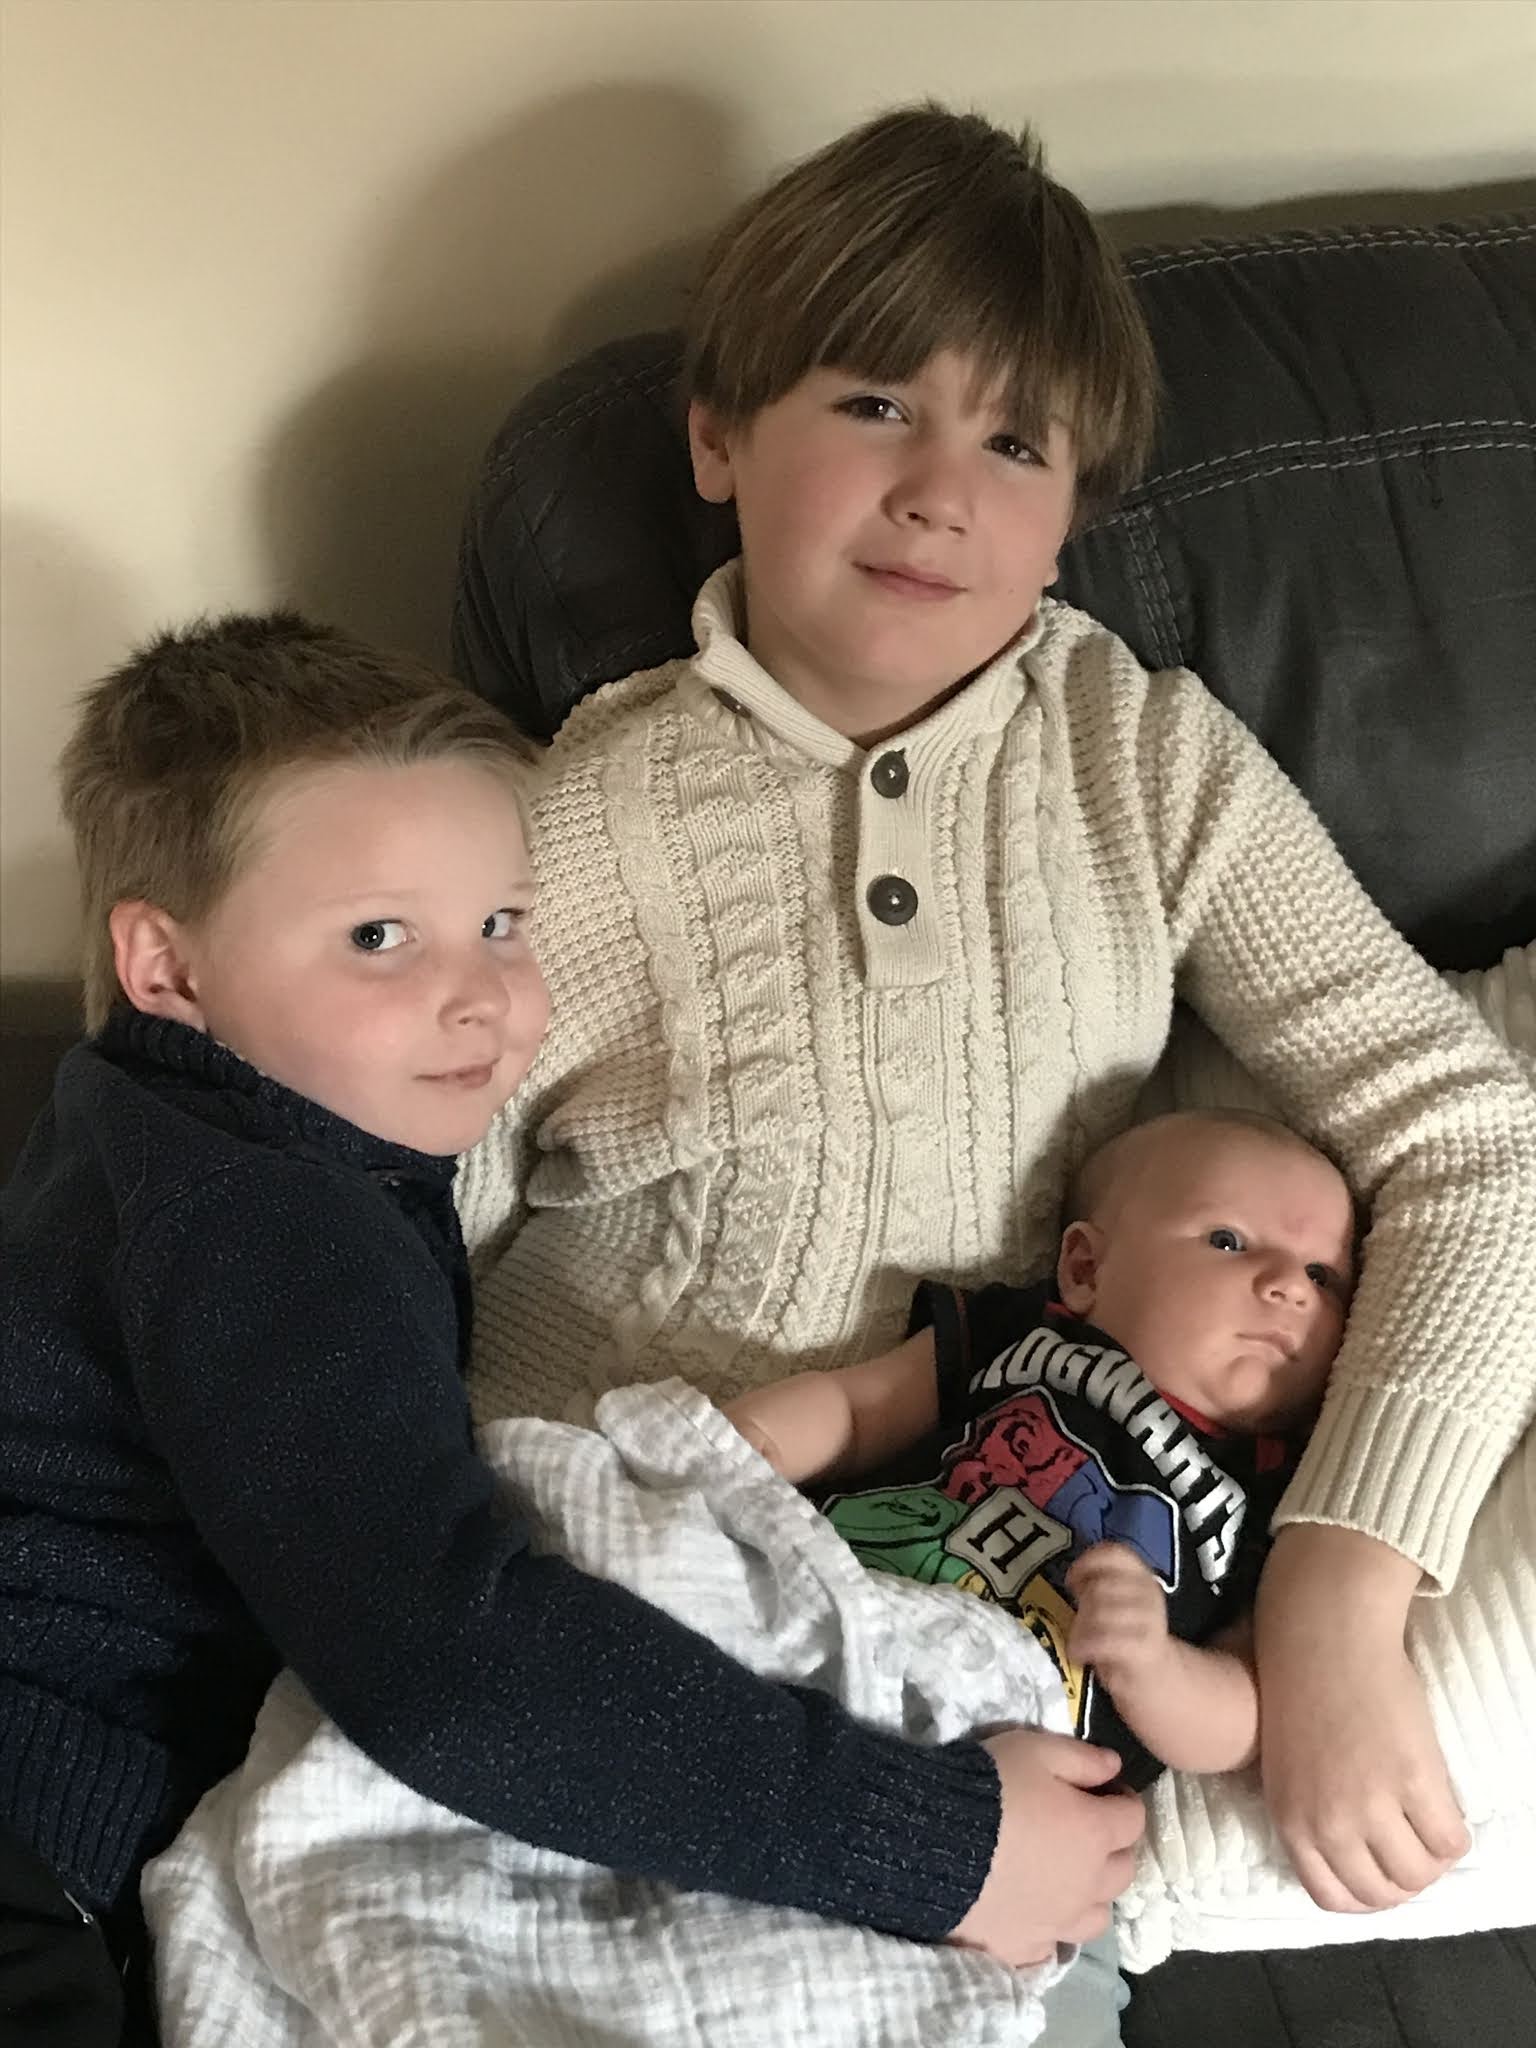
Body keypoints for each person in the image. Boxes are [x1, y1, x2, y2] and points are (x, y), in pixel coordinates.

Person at [454, 100, 1536, 2022]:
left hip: (987, 1672)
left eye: (1016, 442)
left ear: (1075, 504)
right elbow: (394, 1213)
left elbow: (1464, 1132)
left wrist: (1338, 1589)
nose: (942, 491)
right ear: (718, 439)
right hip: (629, 1581)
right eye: (876, 403)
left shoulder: (1145, 757)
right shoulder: (569, 819)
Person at [5, 614, 1114, 2045]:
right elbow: (445, 1657)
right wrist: (939, 1845)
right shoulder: (259, 1219)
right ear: (166, 965)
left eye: (502, 923)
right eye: (378, 935)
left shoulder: (158, 1125)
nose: (480, 993)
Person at [724, 1109, 1358, 1793]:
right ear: (1086, 1269)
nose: (1290, 1286)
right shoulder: (1023, 1334)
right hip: (836, 1590)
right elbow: (860, 1409)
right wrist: (743, 1445)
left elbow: (1246, 1714)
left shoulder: (1287, 1488)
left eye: (1323, 1276)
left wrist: (1154, 1667)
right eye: (1228, 1241)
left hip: (993, 1730)